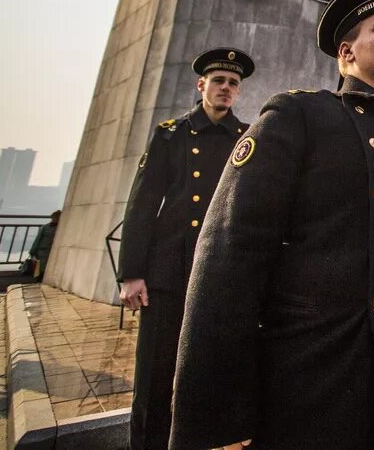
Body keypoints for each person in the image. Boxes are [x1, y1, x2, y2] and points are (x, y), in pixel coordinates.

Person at [168, 0, 374, 450]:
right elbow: (229, 260)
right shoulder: (299, 118)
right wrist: (217, 410)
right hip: (313, 378)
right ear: (347, 53)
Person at [118, 47, 253, 450]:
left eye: (232, 83)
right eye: (219, 81)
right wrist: (131, 273)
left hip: (217, 269)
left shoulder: (245, 138)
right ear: (202, 85)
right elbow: (142, 204)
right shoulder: (171, 133)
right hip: (169, 270)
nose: (225, 88)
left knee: (209, 375)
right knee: (154, 379)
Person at [28, 210, 61, 281]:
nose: (55, 219)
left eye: (57, 218)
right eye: (54, 218)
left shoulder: (57, 227)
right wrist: (33, 251)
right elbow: (38, 239)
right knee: (42, 269)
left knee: (44, 269)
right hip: (44, 250)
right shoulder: (45, 227)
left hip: (49, 251)